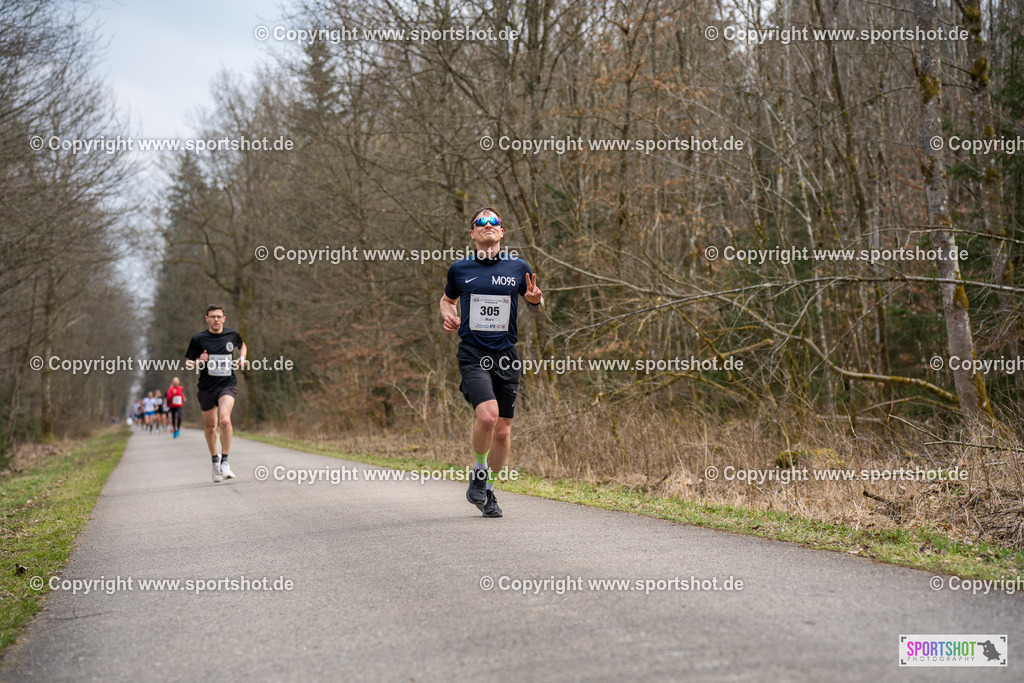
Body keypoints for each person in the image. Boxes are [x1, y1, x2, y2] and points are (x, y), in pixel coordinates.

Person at [439, 207, 544, 517]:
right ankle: (479, 470)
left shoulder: (518, 267)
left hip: (507, 356)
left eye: (493, 221)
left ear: (502, 231)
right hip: (473, 353)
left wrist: (536, 301)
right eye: (480, 222)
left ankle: (490, 490)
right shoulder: (460, 269)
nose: (488, 225)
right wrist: (448, 315)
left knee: (502, 431)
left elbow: (535, 308)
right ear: (473, 233)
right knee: (487, 417)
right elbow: (447, 300)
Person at [185, 305, 247, 482]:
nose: (216, 320)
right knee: (211, 427)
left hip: (227, 385)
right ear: (207, 319)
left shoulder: (232, 334)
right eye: (212, 317)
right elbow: (188, 364)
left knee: (225, 420)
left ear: (224, 318)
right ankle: (215, 461)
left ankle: (225, 461)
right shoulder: (198, 339)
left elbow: (242, 346)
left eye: (219, 316)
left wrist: (242, 357)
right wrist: (198, 361)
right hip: (206, 388)